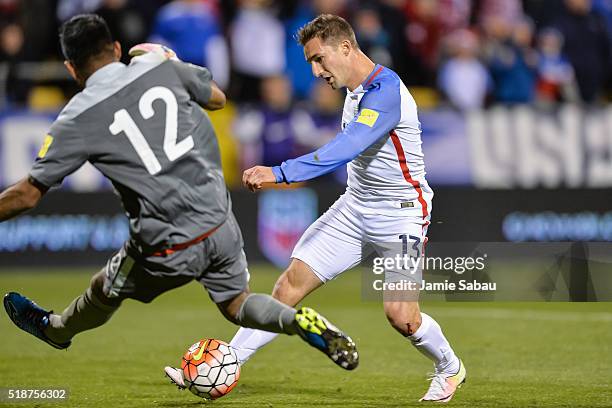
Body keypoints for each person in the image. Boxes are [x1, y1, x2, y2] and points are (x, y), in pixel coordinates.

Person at [0, 14, 358, 379]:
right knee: (237, 303)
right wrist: (171, 60)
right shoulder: (158, 65)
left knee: (103, 289)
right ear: (117, 49)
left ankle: (56, 329)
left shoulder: (75, 117)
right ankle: (295, 321)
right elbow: (218, 99)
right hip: (219, 219)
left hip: (164, 242)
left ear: (71, 68)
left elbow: (27, 195)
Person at [227, 14, 466, 402]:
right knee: (288, 285)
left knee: (401, 317)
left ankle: (449, 367)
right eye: (311, 64)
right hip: (355, 209)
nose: (317, 71)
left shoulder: (385, 91)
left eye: (320, 59)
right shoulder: (353, 89)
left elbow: (346, 149)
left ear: (345, 48)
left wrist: (281, 172)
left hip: (402, 213)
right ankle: (225, 363)